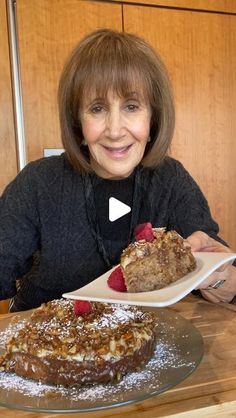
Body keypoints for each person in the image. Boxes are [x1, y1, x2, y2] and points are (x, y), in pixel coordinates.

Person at [0, 29, 235, 312]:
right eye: (97, 108)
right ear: (78, 124)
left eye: (132, 106)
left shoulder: (170, 180)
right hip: (46, 349)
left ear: (153, 119)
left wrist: (220, 281)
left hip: (146, 345)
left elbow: (224, 280)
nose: (114, 130)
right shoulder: (39, 183)